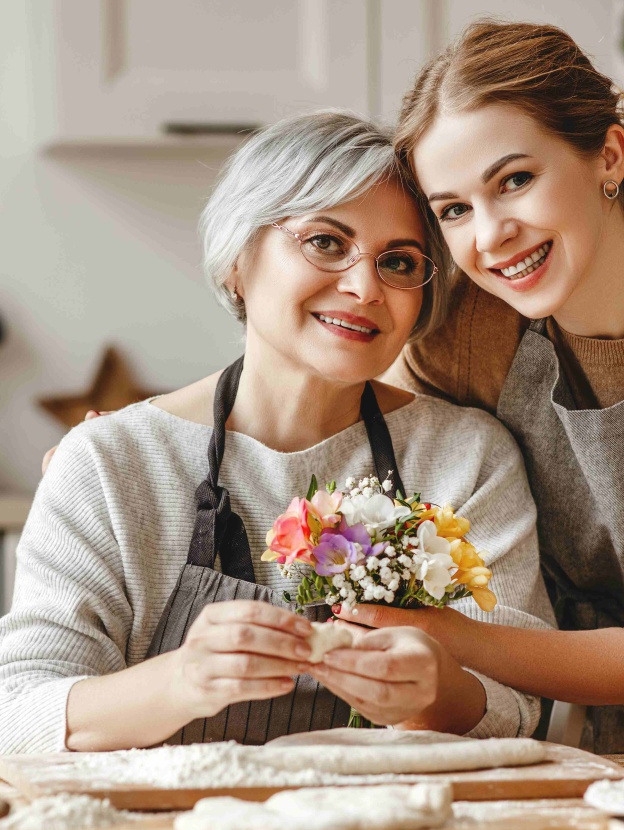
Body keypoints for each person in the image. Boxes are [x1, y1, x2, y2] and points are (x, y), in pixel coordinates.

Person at [0, 111, 554, 753]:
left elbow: (522, 703)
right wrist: (181, 682)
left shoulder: (467, 457)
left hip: (402, 818)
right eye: (325, 242)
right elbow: (17, 713)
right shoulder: (107, 461)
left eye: (400, 262)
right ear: (238, 260)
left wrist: (438, 695)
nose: (365, 287)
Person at [364, 20, 624, 753]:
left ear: (609, 155)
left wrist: (450, 636)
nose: (489, 236)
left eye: (515, 181)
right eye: (453, 209)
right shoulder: (475, 331)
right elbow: (333, 408)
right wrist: (153, 430)